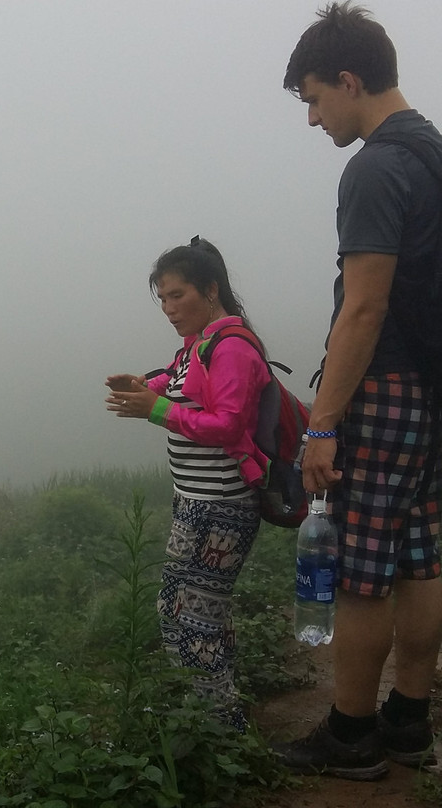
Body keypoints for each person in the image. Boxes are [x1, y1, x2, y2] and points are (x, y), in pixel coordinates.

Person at [276, 2, 442, 781]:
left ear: (349, 79)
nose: (312, 118)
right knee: (419, 560)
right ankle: (410, 720)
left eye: (314, 98)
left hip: (386, 391)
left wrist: (324, 424)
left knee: (361, 571)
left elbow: (365, 304)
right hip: (435, 394)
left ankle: (351, 735)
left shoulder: (375, 165)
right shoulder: (435, 153)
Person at [105, 236, 271, 731]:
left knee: (196, 618)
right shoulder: (197, 347)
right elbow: (173, 386)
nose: (169, 308)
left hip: (222, 507)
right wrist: (141, 388)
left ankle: (222, 732)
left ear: (211, 289)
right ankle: (197, 711)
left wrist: (152, 409)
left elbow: (227, 425)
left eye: (178, 295)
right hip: (194, 503)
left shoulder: (233, 348)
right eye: (162, 298)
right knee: (178, 609)